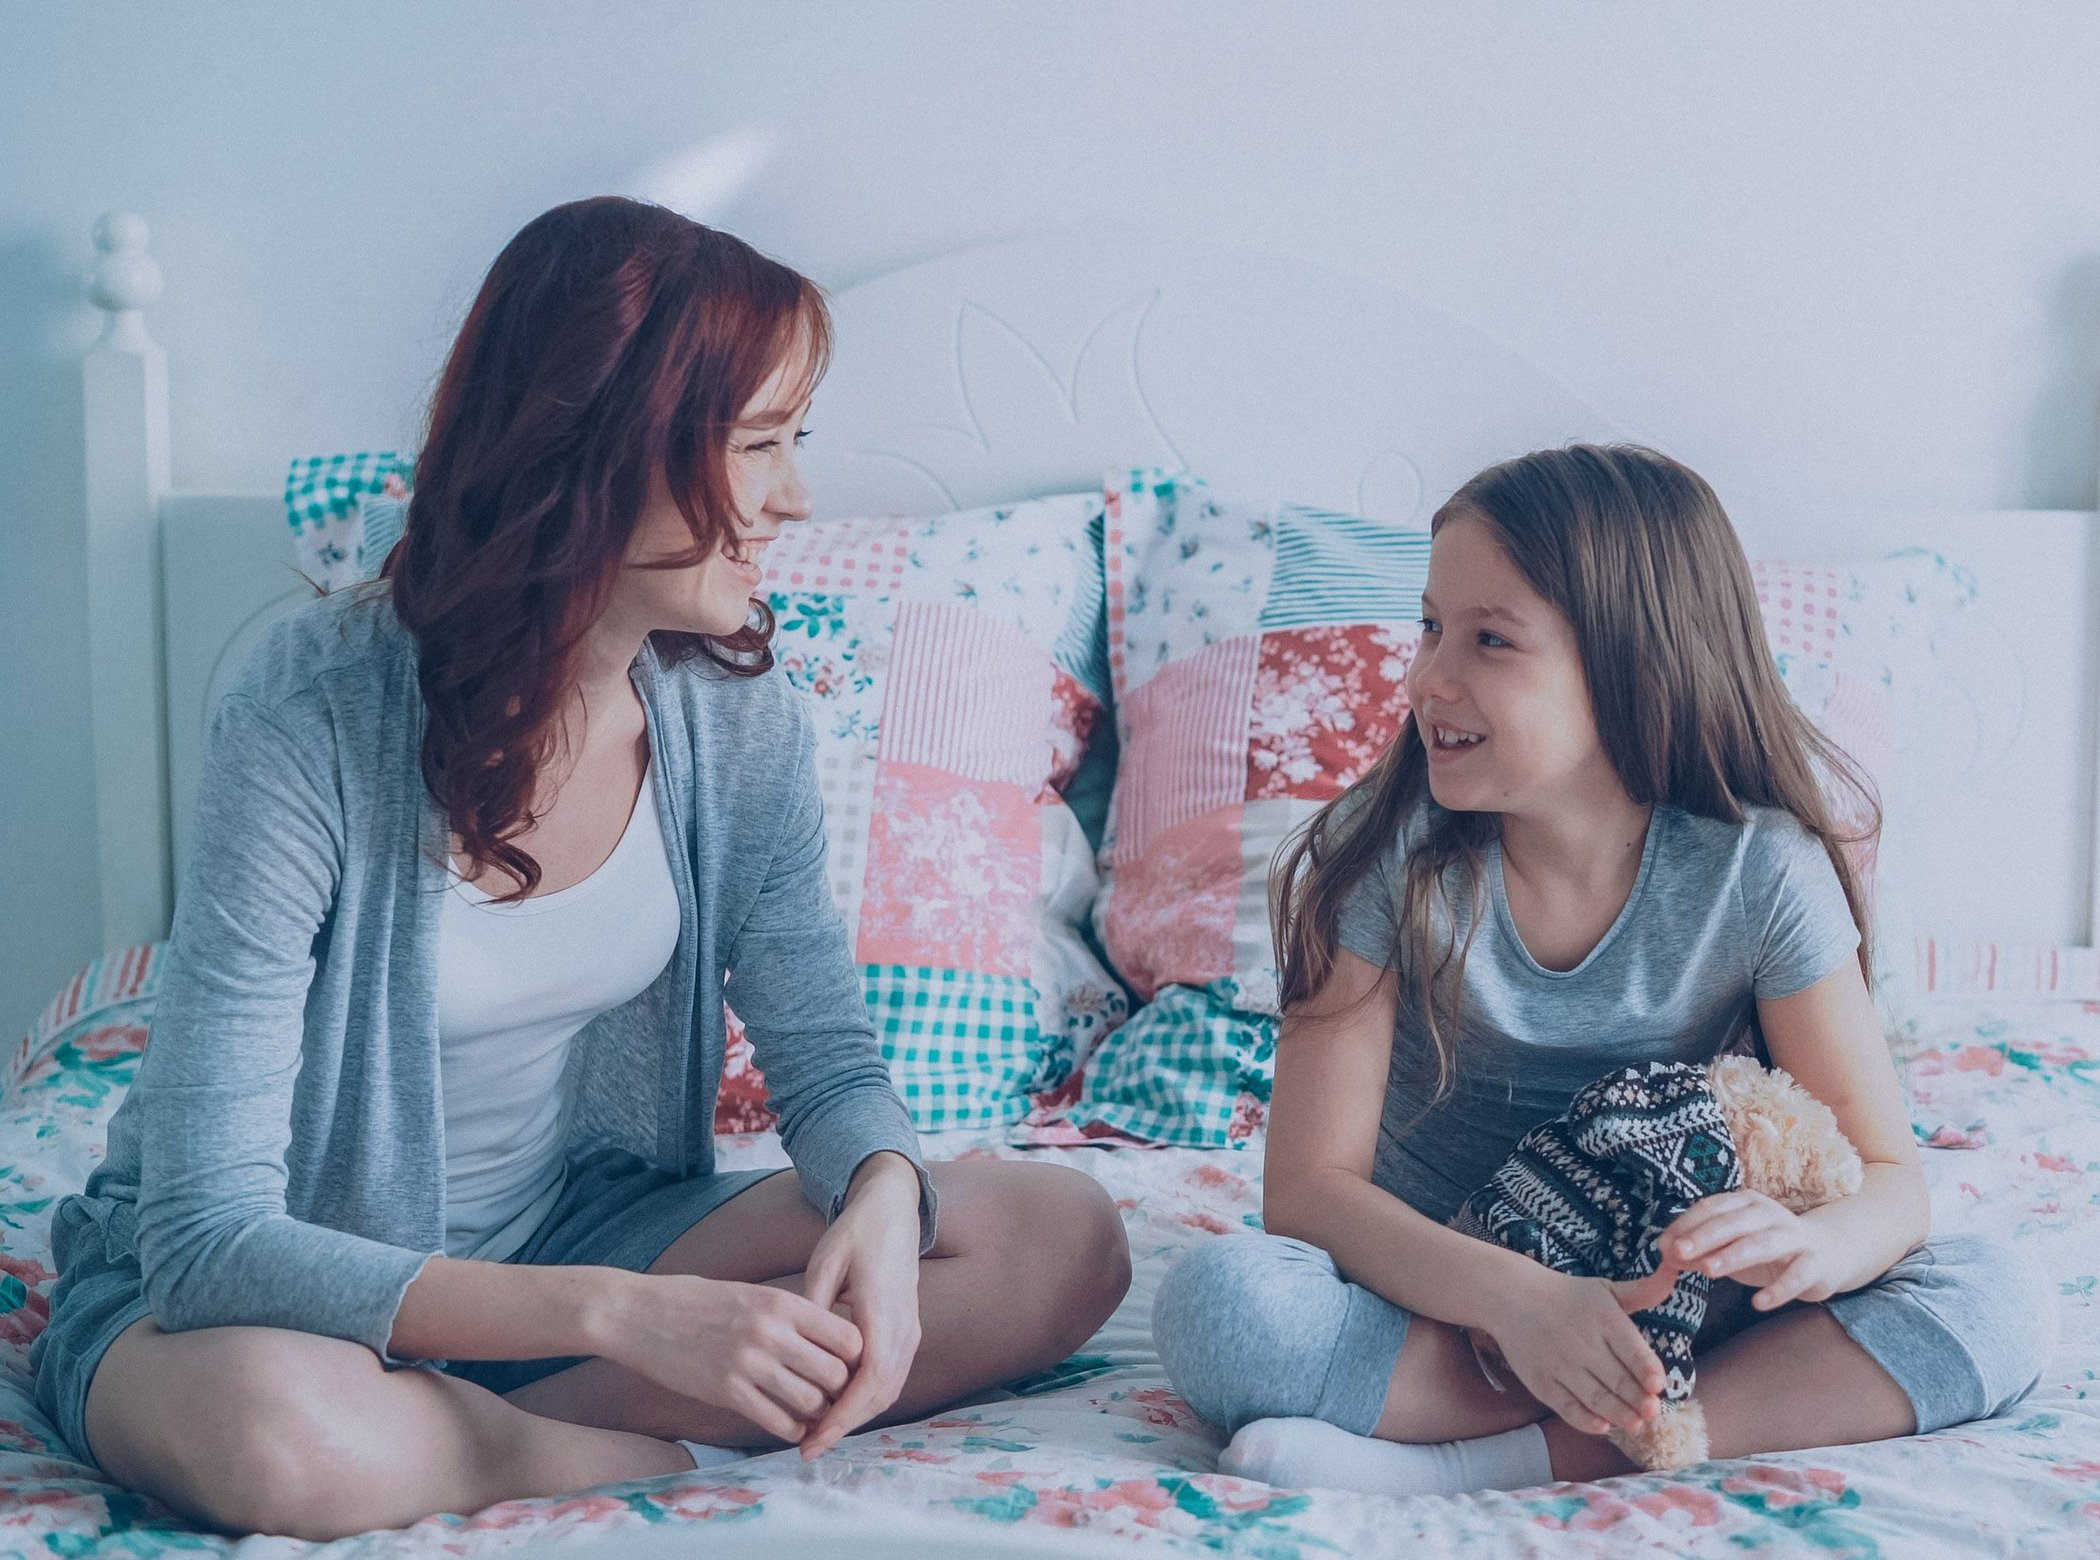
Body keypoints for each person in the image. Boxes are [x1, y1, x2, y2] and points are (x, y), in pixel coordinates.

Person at [32, 197, 1130, 1540]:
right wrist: (628, 1317)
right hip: (267, 1294)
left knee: (1058, 1236)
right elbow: (207, 1240)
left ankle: (489, 1435)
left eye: (797, 443)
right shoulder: (310, 709)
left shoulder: (736, 714)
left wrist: (888, 1197)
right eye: (760, 447)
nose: (794, 498)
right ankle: (621, 1450)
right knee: (271, 1431)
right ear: (606, 453)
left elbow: (831, 1068)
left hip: (568, 1225)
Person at [1151, 445, 2052, 1497]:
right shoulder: (1385, 855)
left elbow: (1891, 1180)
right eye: (1432, 625)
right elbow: (1308, 1193)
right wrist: (1518, 1303)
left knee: (1998, 1299)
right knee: (1224, 1306)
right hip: (1448, 1295)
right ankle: (1601, 1418)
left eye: (1491, 640)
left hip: (1693, 1315)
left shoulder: (1758, 870)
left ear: (1637, 668)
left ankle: (1481, 1466)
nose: (1427, 677)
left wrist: (1818, 1247)